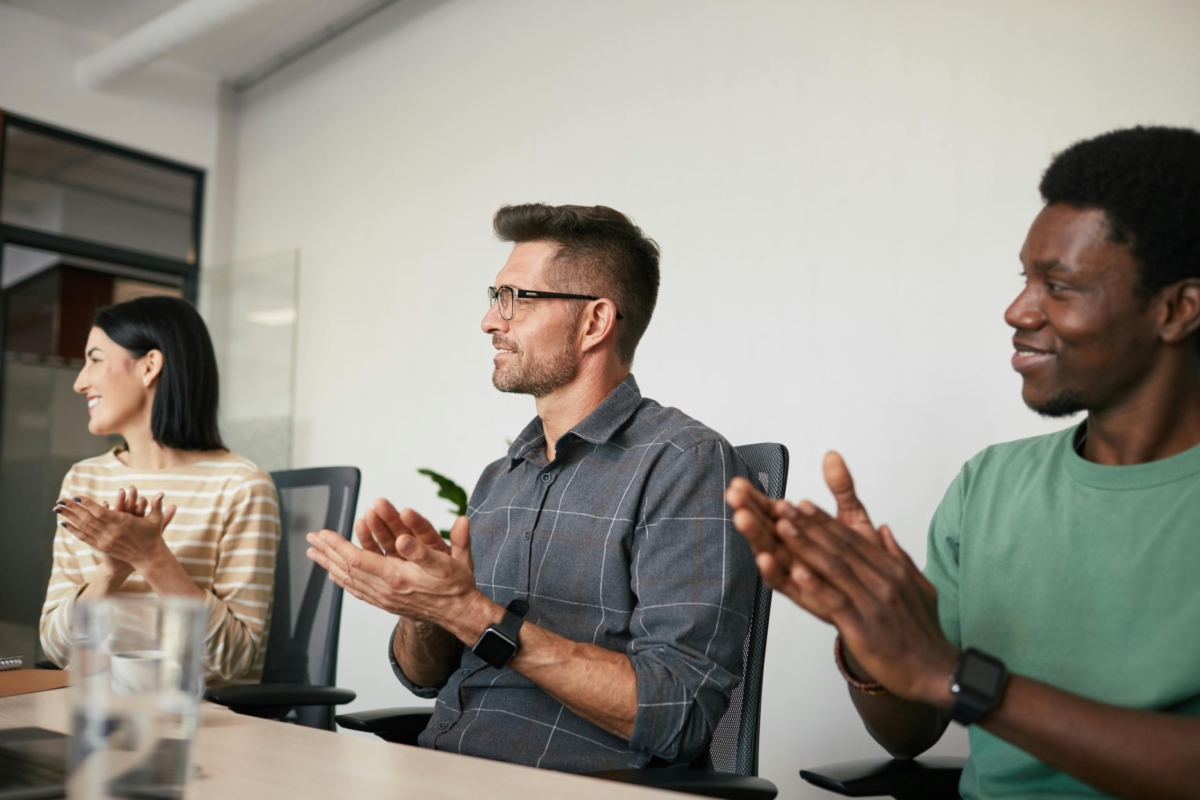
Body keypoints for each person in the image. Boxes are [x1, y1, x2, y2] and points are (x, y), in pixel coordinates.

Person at [727, 126, 1200, 799]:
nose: (1016, 311)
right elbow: (908, 733)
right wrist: (868, 628)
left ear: (1177, 309)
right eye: (1024, 279)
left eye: (1058, 287)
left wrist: (956, 674)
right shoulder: (992, 485)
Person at [306, 203, 756, 772]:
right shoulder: (503, 476)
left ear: (594, 322)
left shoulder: (685, 464)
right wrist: (425, 609)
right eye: (494, 298)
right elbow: (425, 679)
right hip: (445, 770)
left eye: (515, 299)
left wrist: (473, 615)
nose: (490, 321)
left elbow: (680, 711)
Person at [41, 295, 280, 687]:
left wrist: (152, 559)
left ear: (150, 366)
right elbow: (57, 648)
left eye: (95, 359)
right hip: (92, 711)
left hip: (197, 725)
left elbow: (236, 662)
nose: (80, 381)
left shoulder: (242, 486)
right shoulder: (82, 481)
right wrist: (110, 572)